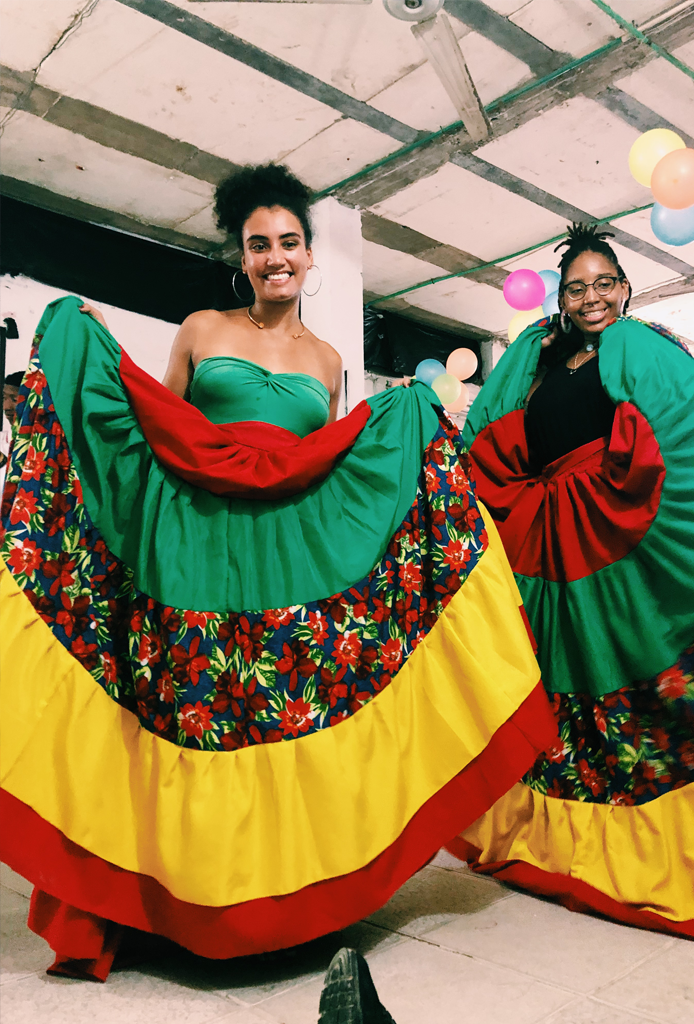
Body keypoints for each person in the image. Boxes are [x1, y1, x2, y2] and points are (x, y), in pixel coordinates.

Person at [0, 164, 555, 982]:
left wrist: (401, 416)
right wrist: (84, 344)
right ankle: (175, 905)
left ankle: (284, 909)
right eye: (259, 245)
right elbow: (161, 431)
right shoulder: (199, 328)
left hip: (287, 561)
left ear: (307, 253)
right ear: (243, 255)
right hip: (198, 547)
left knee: (276, 716)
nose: (275, 258)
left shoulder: (331, 360)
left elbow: (322, 468)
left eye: (288, 242)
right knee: (194, 713)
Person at [453, 223, 694, 951]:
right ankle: (561, 836)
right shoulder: (538, 360)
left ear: (624, 289)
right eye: (577, 287)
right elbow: (494, 439)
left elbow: (681, 423)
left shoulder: (645, 344)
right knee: (562, 686)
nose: (591, 296)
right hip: (551, 545)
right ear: (561, 300)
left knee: (639, 676)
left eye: (604, 284)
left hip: (618, 528)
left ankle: (683, 839)